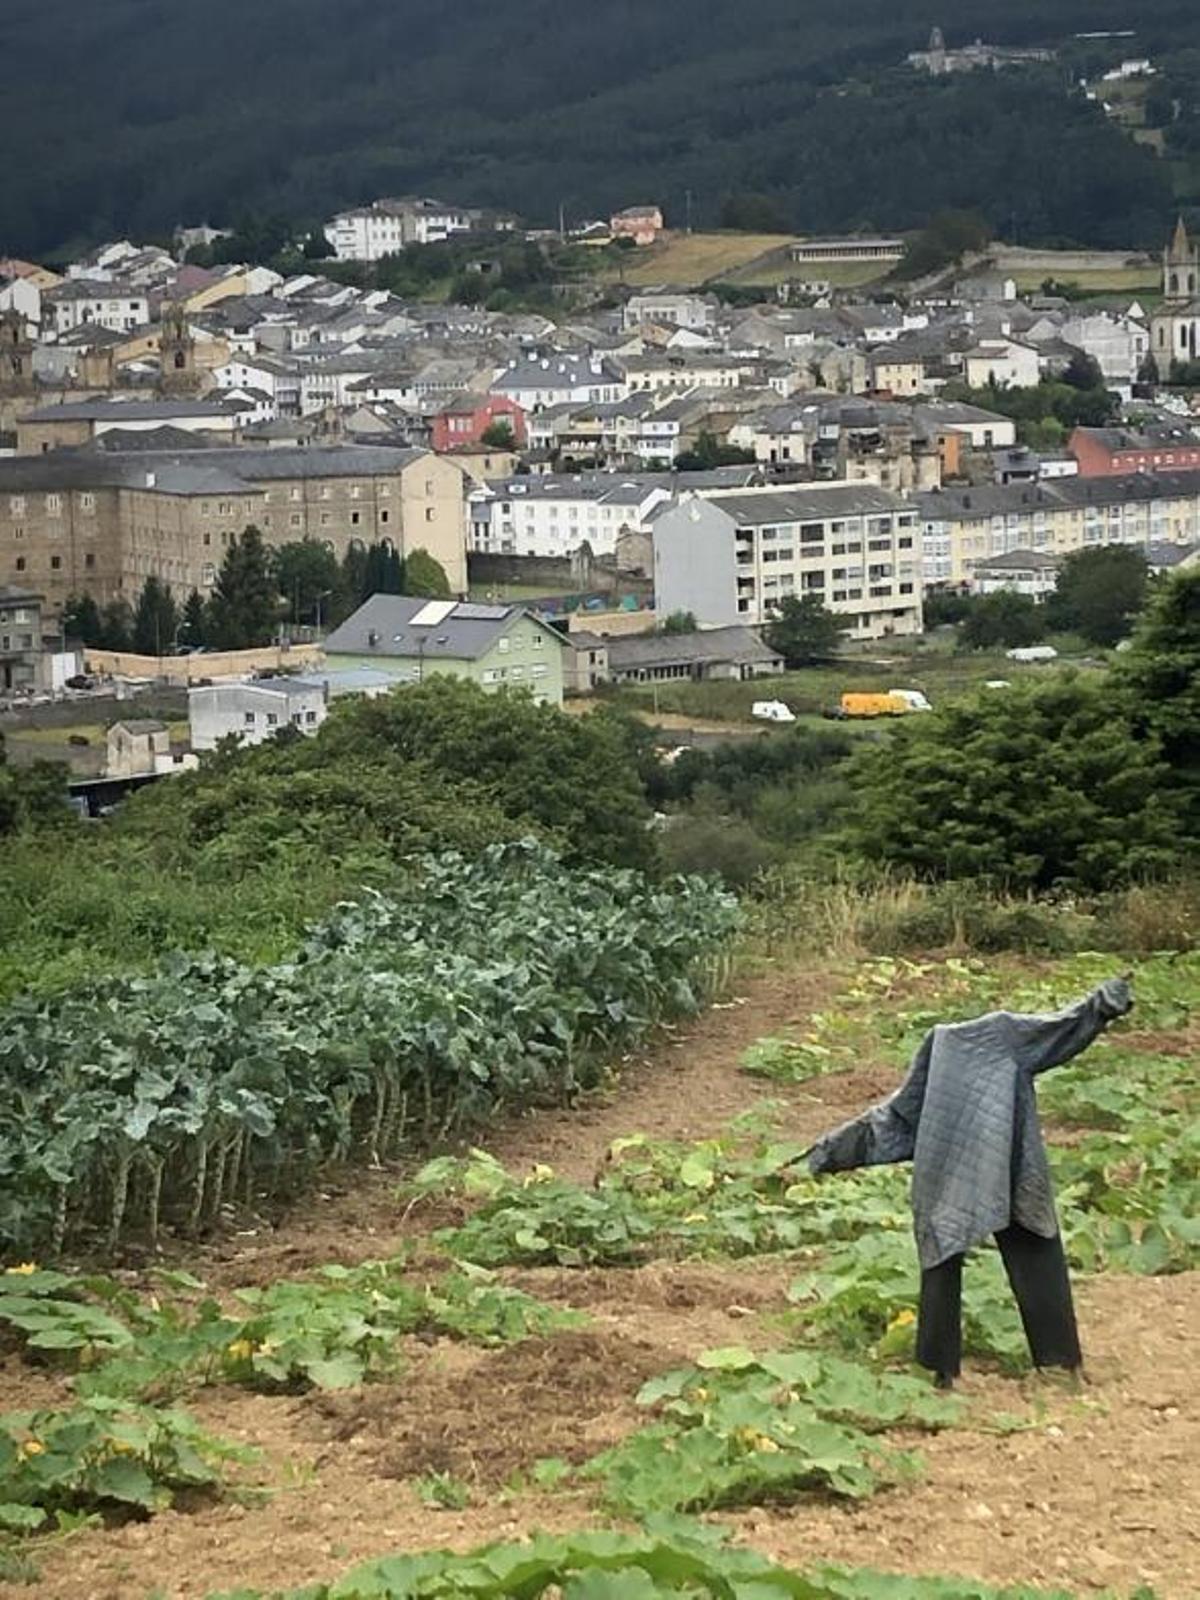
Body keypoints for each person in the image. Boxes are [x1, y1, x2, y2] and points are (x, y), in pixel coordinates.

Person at [806, 975, 1134, 1387]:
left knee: (943, 1256)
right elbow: (1061, 1031)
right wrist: (1101, 1006)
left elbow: (895, 1120)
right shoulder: (1001, 1034)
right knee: (1033, 1242)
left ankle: (938, 1371)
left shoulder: (937, 1046)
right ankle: (1059, 1364)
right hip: (1010, 1159)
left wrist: (830, 1152)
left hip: (947, 1173)